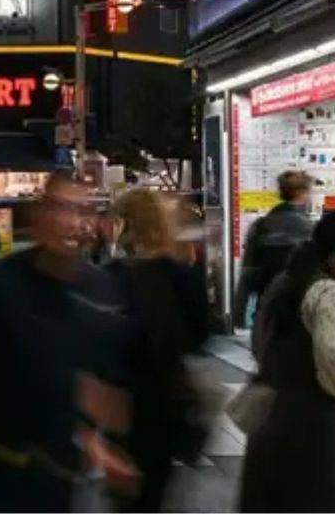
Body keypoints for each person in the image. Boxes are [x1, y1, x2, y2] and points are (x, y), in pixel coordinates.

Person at [0, 175, 135, 513]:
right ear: (39, 218)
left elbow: (107, 381)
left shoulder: (103, 290)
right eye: (61, 208)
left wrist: (97, 439)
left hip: (67, 476)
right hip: (8, 470)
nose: (73, 222)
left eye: (84, 211)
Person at [239, 210, 335, 512]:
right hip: (316, 435)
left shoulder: (287, 281)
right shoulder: (332, 294)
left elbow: (261, 340)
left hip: (274, 426)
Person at [103, 189, 210, 513]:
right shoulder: (182, 276)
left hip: (120, 410)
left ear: (124, 225)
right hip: (166, 406)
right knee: (156, 494)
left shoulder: (109, 279)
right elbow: (199, 338)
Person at [235, 170, 313, 328]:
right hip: (298, 308)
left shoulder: (261, 225)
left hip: (267, 308)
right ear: (301, 193)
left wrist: (239, 310)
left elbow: (249, 271)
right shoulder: (308, 228)